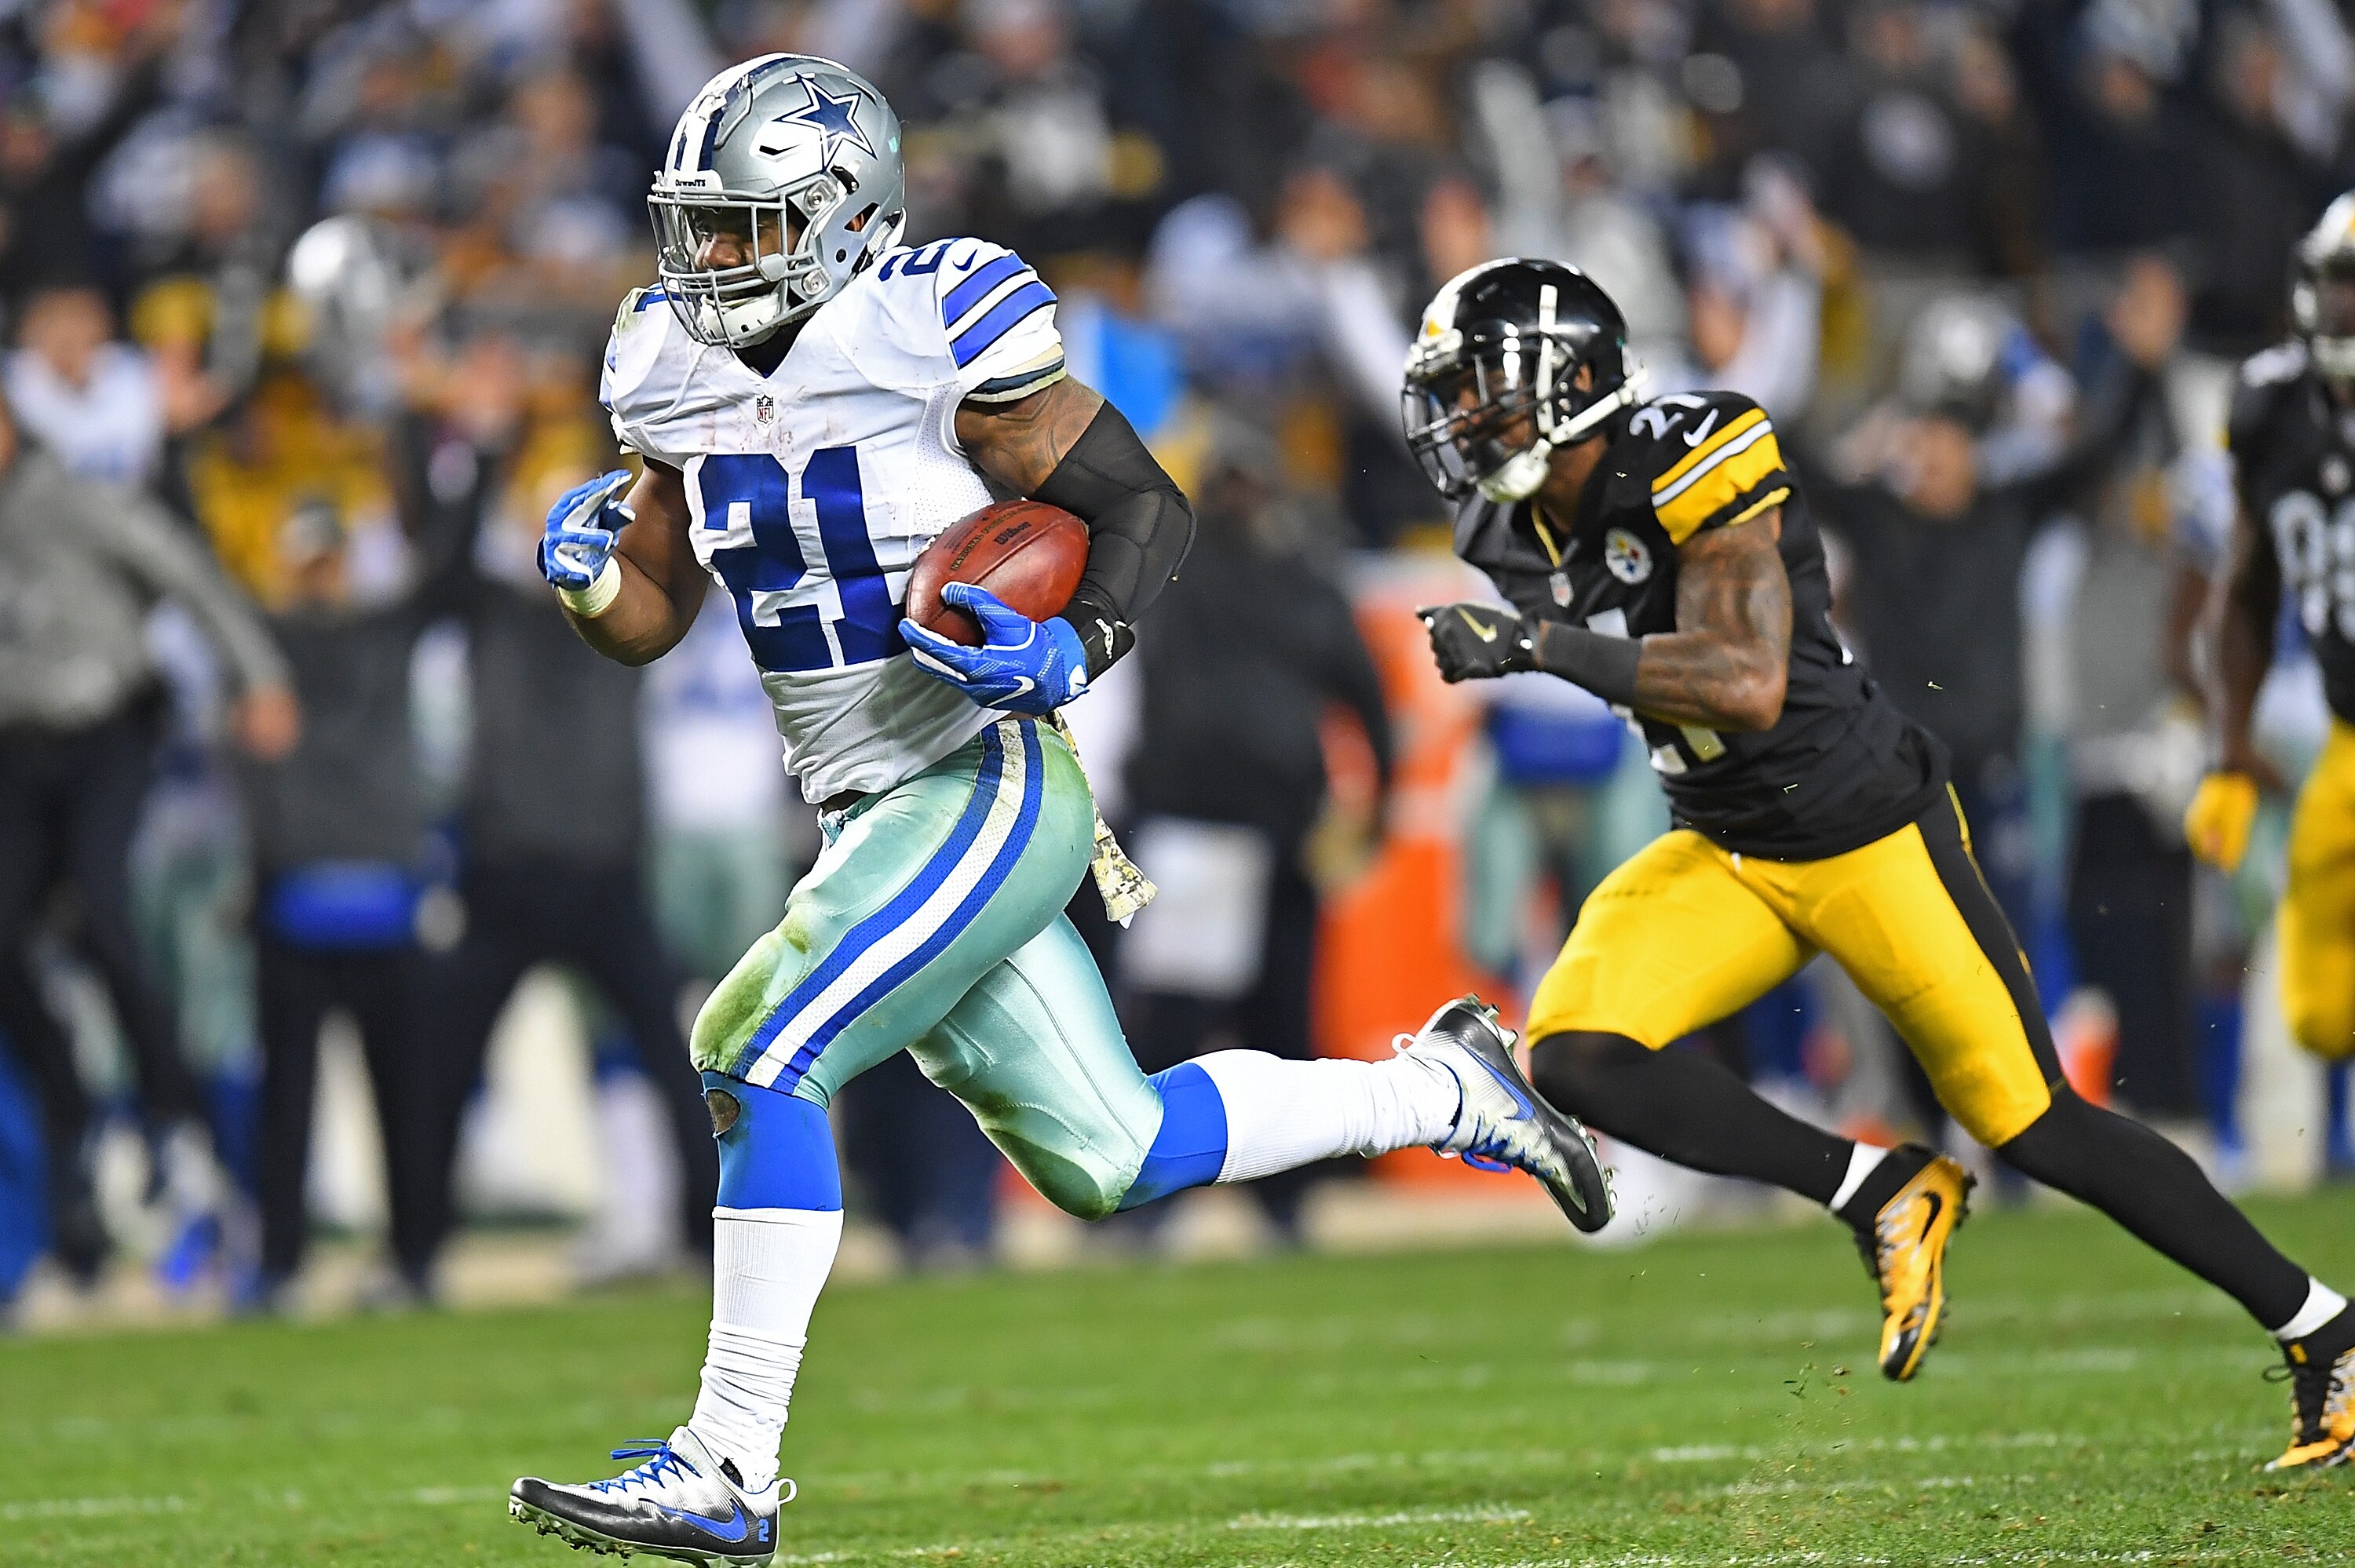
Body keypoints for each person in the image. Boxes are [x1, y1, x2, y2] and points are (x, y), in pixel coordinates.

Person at [505, 56, 1608, 1564]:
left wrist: (1074, 644)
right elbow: (655, 612)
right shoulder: (663, 359)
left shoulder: (929, 322)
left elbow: (1143, 502)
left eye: (748, 224)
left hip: (982, 772)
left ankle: (729, 1463)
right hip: (863, 811)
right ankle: (1448, 1088)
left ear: (844, 216)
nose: (711, 256)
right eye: (698, 222)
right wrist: (591, 587)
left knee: (755, 1046)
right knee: (1111, 1148)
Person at [1402, 257, 2355, 1471]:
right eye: (1452, 392)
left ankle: (2326, 1329)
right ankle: (1876, 1187)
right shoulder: (1504, 520)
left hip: (1861, 827)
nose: (1462, 417)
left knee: (2035, 1121)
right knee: (1579, 1053)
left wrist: (1539, 645)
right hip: (1723, 842)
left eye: (1481, 386)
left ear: (1571, 381)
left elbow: (1747, 681)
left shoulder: (1696, 450)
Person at [0, 386, 298, 1285]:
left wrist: (257, 676)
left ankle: (172, 1116)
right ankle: (75, 1109)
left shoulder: (75, 499)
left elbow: (188, 574)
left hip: (105, 732)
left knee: (103, 913)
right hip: (15, 749)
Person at [2195, 195, 2355, 1147]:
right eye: (2342, 286)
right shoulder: (2270, 408)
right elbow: (2247, 586)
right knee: (2320, 1016)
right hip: (2345, 735)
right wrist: (2228, 750)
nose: (2348, 308)